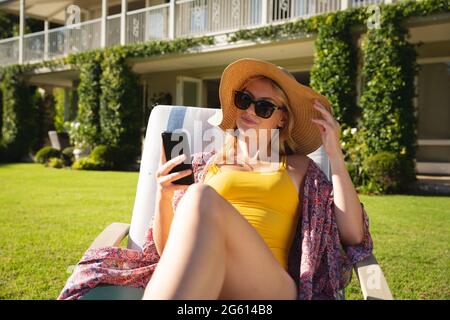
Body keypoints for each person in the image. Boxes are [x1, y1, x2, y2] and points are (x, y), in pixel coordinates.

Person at [57, 58, 372, 300]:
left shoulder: (299, 167)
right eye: (244, 99)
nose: (250, 110)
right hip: (208, 280)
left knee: (199, 196)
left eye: (264, 107)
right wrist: (165, 196)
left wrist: (335, 155)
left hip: (269, 287)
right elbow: (169, 254)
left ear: (281, 118)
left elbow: (352, 233)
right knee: (196, 197)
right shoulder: (206, 165)